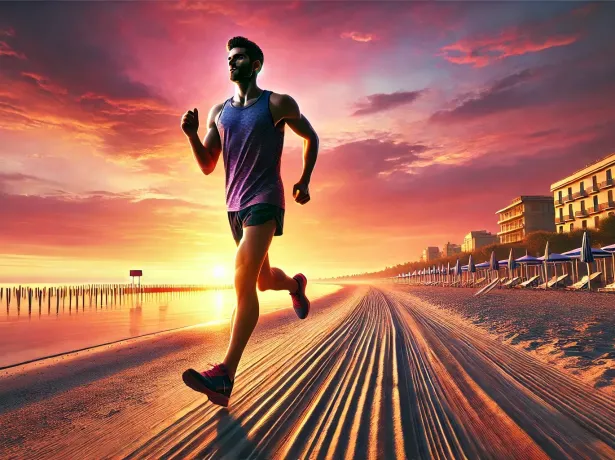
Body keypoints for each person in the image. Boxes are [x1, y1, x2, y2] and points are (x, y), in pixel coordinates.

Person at [180, 37, 319, 407]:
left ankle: (225, 374)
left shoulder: (277, 104)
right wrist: (192, 135)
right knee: (261, 278)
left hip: (266, 201)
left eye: (239, 58)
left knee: (242, 276)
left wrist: (304, 180)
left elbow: (311, 137)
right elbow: (208, 164)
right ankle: (294, 284)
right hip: (235, 209)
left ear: (256, 64)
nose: (232, 63)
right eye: (228, 58)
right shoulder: (219, 113)